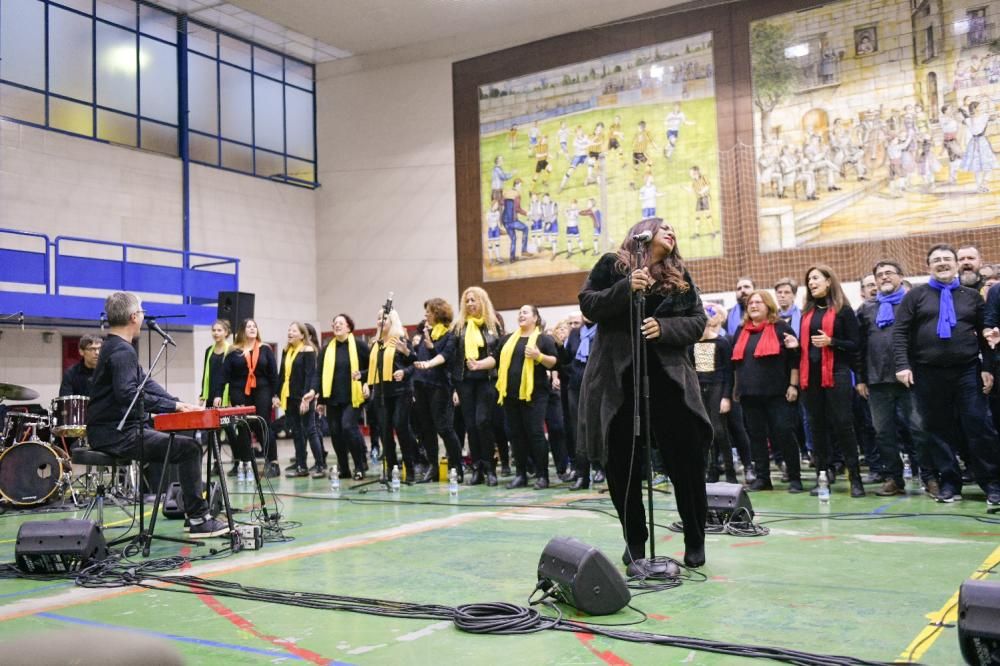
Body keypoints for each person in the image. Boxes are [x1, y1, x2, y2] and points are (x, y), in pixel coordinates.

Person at [578, 218, 711, 569]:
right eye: (664, 226)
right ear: (644, 231)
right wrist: (625, 289)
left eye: (674, 228)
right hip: (620, 383)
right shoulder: (612, 264)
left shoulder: (679, 273)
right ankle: (634, 539)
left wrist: (665, 327)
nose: (672, 230)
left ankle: (695, 538)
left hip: (670, 383)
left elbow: (698, 321)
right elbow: (588, 304)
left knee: (687, 461)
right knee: (621, 464)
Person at [86, 291, 228, 536]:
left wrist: (179, 404)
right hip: (117, 435)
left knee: (184, 444)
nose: (143, 315)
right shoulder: (122, 352)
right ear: (133, 317)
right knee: (189, 449)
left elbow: (145, 383)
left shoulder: (114, 346)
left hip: (111, 431)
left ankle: (195, 515)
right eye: (141, 311)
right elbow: (128, 394)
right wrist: (173, 407)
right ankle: (198, 519)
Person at [895, 245, 1000, 506]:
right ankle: (950, 483)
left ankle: (992, 484)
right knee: (937, 430)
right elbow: (900, 333)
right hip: (927, 373)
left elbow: (986, 337)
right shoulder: (915, 296)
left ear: (955, 264)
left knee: (979, 426)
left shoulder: (972, 297)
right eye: (936, 260)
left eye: (947, 259)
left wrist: (987, 368)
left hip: (967, 372)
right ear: (928, 265)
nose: (942, 263)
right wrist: (902, 365)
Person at [857, 260, 936, 497]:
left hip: (910, 379)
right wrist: (861, 378)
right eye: (879, 274)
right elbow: (859, 348)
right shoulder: (866, 309)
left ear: (901, 277)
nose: (883, 277)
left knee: (920, 430)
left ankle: (930, 476)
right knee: (883, 433)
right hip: (877, 381)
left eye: (889, 273)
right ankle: (893, 478)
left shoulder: (913, 303)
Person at [798, 265, 866, 498]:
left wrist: (832, 341)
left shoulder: (843, 311)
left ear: (829, 281)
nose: (811, 283)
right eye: (809, 280)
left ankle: (855, 479)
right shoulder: (806, 313)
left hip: (836, 373)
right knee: (817, 428)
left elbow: (855, 344)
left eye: (816, 278)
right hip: (811, 377)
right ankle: (822, 477)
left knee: (843, 425)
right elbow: (805, 348)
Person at [730, 291, 802, 492]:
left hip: (779, 394)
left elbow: (794, 359)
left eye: (758, 302)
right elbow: (736, 363)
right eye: (751, 303)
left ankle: (795, 478)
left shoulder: (781, 328)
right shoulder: (740, 330)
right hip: (749, 395)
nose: (753, 305)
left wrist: (793, 385)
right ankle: (763, 479)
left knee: (784, 434)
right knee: (756, 437)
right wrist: (736, 388)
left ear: (768, 305)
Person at [493, 305, 559, 489]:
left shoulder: (543, 339)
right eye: (519, 312)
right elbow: (495, 360)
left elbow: (554, 362)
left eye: (525, 312)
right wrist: (478, 364)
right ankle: (520, 475)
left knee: (535, 433)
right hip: (510, 395)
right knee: (516, 435)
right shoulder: (507, 339)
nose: (521, 315)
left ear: (535, 318)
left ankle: (542, 475)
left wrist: (538, 356)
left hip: (535, 395)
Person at [452, 287, 502, 486]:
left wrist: (482, 364)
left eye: (474, 300)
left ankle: (491, 468)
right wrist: (454, 388)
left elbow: (499, 353)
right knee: (471, 426)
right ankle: (477, 469)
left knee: (483, 422)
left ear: (483, 301)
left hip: (487, 380)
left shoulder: (493, 324)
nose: (470, 304)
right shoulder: (459, 327)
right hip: (465, 382)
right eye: (467, 300)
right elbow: (452, 359)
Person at [220, 318, 280, 478]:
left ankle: (272, 462)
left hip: (262, 390)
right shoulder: (234, 351)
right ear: (242, 331)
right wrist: (218, 394)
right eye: (249, 326)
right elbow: (224, 375)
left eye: (254, 326)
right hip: (239, 390)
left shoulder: (265, 349)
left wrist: (275, 395)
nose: (252, 328)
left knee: (262, 424)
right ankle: (245, 464)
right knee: (242, 427)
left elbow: (274, 375)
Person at [412, 298, 463, 482]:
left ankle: (457, 466)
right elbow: (417, 357)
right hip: (421, 385)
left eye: (429, 311)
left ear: (439, 313)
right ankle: (433, 466)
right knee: (426, 429)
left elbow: (445, 359)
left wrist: (431, 351)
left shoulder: (450, 336)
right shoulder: (426, 333)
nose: (426, 314)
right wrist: (406, 351)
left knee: (444, 428)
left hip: (440, 386)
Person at [316, 314, 370, 480]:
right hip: (332, 397)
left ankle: (360, 466)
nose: (337, 325)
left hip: (353, 396)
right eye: (334, 323)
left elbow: (372, 369)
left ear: (348, 327)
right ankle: (344, 468)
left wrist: (366, 381)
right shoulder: (326, 349)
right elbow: (319, 375)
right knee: (335, 432)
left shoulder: (360, 346)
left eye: (341, 323)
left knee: (348, 427)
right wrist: (320, 401)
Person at [369, 308, 418, 482]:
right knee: (384, 431)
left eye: (385, 318)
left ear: (392, 321)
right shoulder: (376, 343)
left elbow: (415, 363)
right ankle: (390, 468)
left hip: (401, 392)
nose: (381, 321)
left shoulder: (401, 340)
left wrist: (404, 371)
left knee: (401, 427)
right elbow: (375, 369)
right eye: (378, 318)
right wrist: (362, 375)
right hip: (382, 392)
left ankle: (410, 468)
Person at [275, 322, 323, 478]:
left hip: (304, 396)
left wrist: (306, 399)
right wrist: (276, 394)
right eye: (289, 330)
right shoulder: (286, 351)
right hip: (289, 396)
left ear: (302, 335)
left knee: (310, 430)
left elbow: (310, 375)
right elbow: (281, 374)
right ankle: (301, 466)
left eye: (294, 331)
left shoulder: (308, 350)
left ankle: (320, 465)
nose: (290, 333)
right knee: (296, 432)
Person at [694, 305, 736, 484]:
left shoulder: (722, 343)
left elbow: (729, 372)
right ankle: (712, 470)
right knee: (706, 431)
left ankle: (730, 471)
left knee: (720, 430)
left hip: (717, 387)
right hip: (700, 389)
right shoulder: (692, 344)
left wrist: (726, 397)